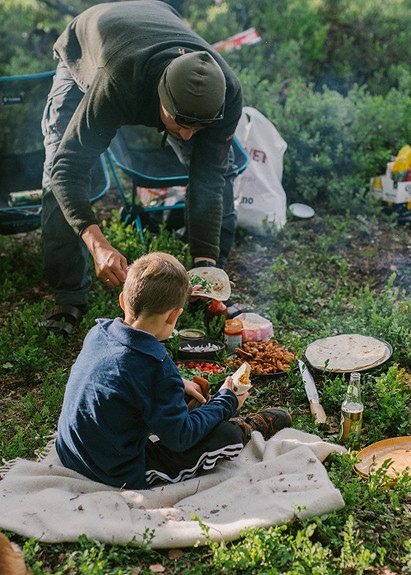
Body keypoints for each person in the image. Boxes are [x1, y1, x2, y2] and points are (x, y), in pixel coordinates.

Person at [40, 0, 244, 335]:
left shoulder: (228, 93)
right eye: (181, 123)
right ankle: (69, 298)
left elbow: (209, 178)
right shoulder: (117, 83)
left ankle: (208, 288)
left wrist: (206, 263)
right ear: (160, 99)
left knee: (222, 176)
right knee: (57, 172)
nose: (189, 135)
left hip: (154, 19)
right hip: (90, 42)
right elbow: (67, 170)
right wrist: (99, 244)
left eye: (200, 127)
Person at [55, 252, 292, 489]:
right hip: (116, 471)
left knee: (184, 403)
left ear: (122, 301)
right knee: (225, 436)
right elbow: (180, 438)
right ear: (174, 315)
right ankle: (245, 427)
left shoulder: (98, 332)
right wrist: (227, 402)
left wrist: (177, 383)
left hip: (71, 450)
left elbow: (124, 374)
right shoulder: (156, 366)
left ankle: (206, 411)